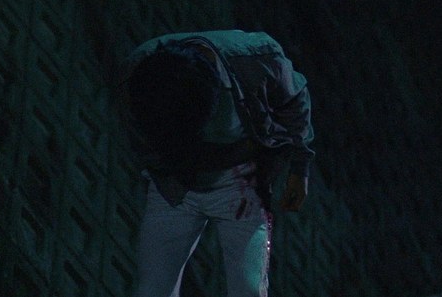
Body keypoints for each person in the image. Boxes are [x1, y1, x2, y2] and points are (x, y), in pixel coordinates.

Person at [121, 29, 314, 297]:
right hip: (174, 185)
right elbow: (139, 138)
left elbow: (295, 100)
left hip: (241, 182)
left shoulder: (259, 58)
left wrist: (300, 167)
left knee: (249, 291)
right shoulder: (138, 74)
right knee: (152, 289)